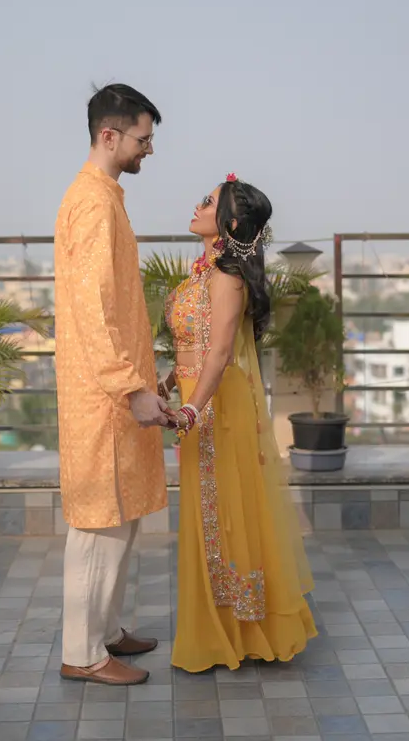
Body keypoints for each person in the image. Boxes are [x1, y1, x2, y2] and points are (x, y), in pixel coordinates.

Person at [163, 173, 318, 673]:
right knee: (208, 514)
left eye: (207, 202)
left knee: (225, 512)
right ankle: (219, 626)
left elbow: (221, 352)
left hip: (217, 407)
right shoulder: (203, 273)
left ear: (229, 224)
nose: (197, 205)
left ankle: (237, 630)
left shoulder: (227, 279)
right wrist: (170, 380)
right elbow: (195, 342)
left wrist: (192, 408)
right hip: (196, 399)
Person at [54, 83, 174, 686]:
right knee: (98, 525)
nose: (148, 149)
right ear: (110, 134)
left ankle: (105, 631)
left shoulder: (105, 197)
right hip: (102, 395)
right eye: (143, 139)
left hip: (114, 388)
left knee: (120, 518)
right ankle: (82, 654)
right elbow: (93, 309)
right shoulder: (93, 204)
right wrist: (130, 387)